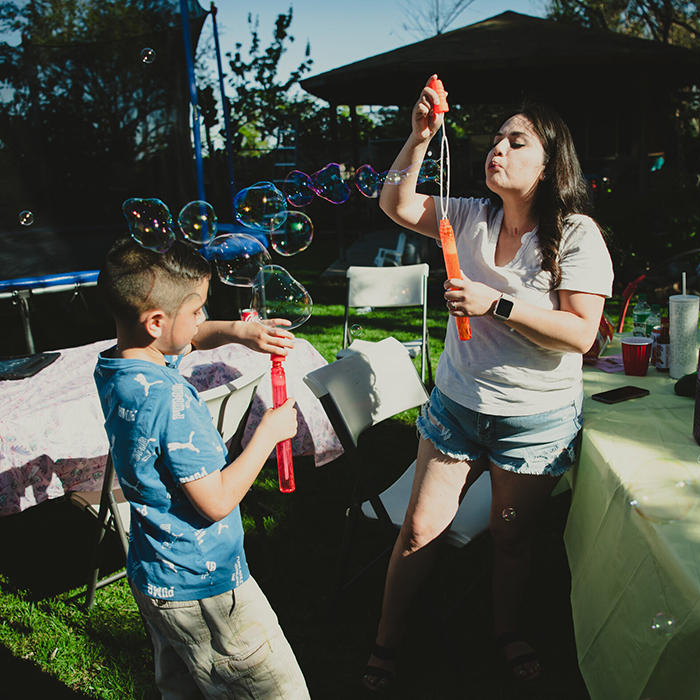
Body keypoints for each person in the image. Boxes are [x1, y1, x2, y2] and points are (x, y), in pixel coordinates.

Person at [362, 77, 614, 691]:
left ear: (549, 161)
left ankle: (504, 629)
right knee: (420, 530)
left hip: (535, 420)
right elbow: (395, 205)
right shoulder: (469, 216)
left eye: (516, 140)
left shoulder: (576, 235)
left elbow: (581, 334)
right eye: (496, 138)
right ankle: (385, 640)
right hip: (458, 405)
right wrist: (420, 138)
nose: (497, 147)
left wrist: (494, 303)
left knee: (509, 535)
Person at [94, 237, 311, 700]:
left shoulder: (118, 367)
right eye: (198, 312)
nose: (201, 323)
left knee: (185, 686)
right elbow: (215, 502)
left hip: (157, 575)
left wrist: (239, 331)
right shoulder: (171, 400)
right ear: (155, 322)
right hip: (206, 586)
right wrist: (266, 435)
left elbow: (183, 337)